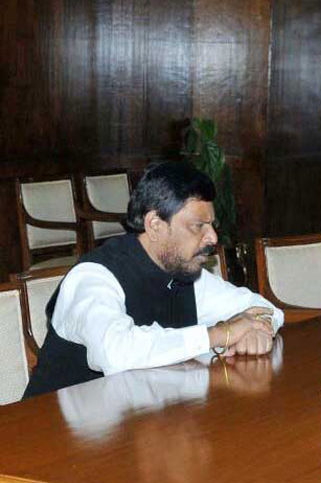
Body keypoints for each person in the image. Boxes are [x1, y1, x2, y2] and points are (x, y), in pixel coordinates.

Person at [23, 161, 284, 399]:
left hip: (138, 429)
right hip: (49, 438)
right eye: (198, 226)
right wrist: (221, 334)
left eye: (211, 225)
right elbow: (117, 354)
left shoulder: (185, 272)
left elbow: (263, 307)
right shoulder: (93, 277)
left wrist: (260, 329)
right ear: (155, 225)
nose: (213, 238)